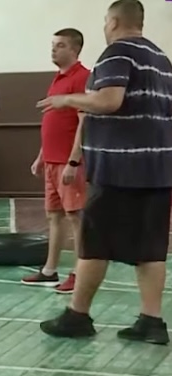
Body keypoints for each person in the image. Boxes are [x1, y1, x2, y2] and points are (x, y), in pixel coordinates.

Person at [38, 0, 172, 345]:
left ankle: (77, 316)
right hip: (158, 170)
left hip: (119, 170)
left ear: (113, 21)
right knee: (151, 248)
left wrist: (68, 100)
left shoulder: (117, 53)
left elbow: (109, 101)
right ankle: (152, 321)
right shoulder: (161, 59)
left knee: (94, 243)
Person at [22, 28, 90, 294]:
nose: (53, 49)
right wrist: (41, 156)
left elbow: (84, 123)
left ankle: (79, 274)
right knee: (54, 217)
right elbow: (53, 122)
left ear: (74, 49)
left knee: (76, 217)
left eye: (60, 45)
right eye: (53, 44)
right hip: (51, 162)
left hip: (68, 163)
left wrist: (73, 162)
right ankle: (49, 271)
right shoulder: (57, 79)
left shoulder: (82, 77)